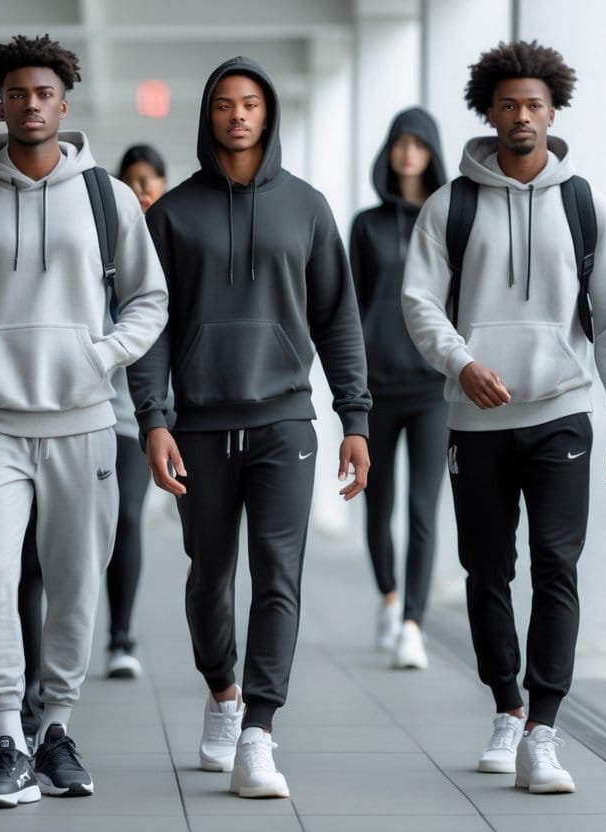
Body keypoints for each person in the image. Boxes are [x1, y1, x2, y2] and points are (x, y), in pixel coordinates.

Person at [0, 34, 168, 808]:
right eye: (17, 92)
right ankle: (7, 738)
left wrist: (99, 357)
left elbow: (150, 300)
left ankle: (56, 727)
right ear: (0, 102)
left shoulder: (107, 197)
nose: (31, 104)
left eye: (44, 93)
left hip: (85, 421)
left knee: (73, 582)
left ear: (65, 102)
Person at [402, 40, 606, 794]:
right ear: (488, 113)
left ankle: (543, 727)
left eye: (533, 105)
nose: (520, 117)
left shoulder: (583, 204)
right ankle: (504, 705)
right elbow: (415, 301)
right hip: (476, 419)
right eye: (507, 104)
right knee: (485, 570)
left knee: (555, 568)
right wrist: (460, 362)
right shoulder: (451, 204)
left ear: (552, 112)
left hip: (563, 413)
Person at [128, 56, 371, 799]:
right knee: (208, 575)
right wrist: (153, 419)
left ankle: (259, 730)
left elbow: (337, 319)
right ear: (209, 116)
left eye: (251, 104)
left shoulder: (307, 208)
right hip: (198, 426)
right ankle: (223, 692)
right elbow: (150, 327)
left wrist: (353, 418)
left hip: (283, 422)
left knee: (278, 577)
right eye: (225, 105)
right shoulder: (170, 214)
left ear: (267, 115)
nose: (238, 115)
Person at [348, 108, 448, 670]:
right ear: (389, 151)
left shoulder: (449, 219)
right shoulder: (365, 225)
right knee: (378, 506)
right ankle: (389, 597)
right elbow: (350, 308)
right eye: (400, 143)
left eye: (419, 144)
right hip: (377, 386)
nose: (409, 153)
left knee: (422, 509)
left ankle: (414, 622)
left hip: (433, 386)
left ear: (432, 152)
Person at [103, 143, 168, 679]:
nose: (142, 190)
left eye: (150, 180)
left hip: (137, 418)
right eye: (132, 181)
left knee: (126, 519)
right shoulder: (104, 246)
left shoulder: (175, 245)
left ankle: (121, 637)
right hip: (90, 407)